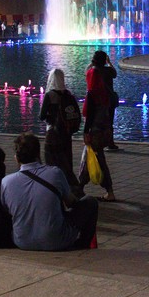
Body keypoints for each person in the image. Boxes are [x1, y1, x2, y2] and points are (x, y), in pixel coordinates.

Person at [1, 133, 98, 250]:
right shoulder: (55, 173)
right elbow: (71, 202)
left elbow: (6, 211)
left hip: (22, 241)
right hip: (55, 241)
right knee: (90, 202)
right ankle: (83, 245)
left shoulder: (6, 182)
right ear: (38, 154)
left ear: (16, 157)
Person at [79, 51, 116, 201]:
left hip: (94, 131)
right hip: (103, 129)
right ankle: (80, 187)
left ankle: (108, 191)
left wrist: (85, 131)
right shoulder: (104, 94)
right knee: (91, 158)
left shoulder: (92, 94)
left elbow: (90, 115)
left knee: (95, 159)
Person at [39, 68, 82, 191]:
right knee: (66, 160)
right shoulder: (69, 95)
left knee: (52, 161)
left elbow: (42, 116)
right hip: (66, 133)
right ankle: (71, 187)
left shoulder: (50, 95)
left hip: (53, 134)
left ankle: (54, 188)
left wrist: (50, 117)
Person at [99, 54, 120, 151]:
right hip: (109, 99)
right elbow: (115, 74)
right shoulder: (108, 70)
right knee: (109, 122)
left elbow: (87, 72)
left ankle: (101, 141)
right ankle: (110, 143)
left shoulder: (95, 71)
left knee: (100, 121)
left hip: (99, 100)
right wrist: (109, 63)